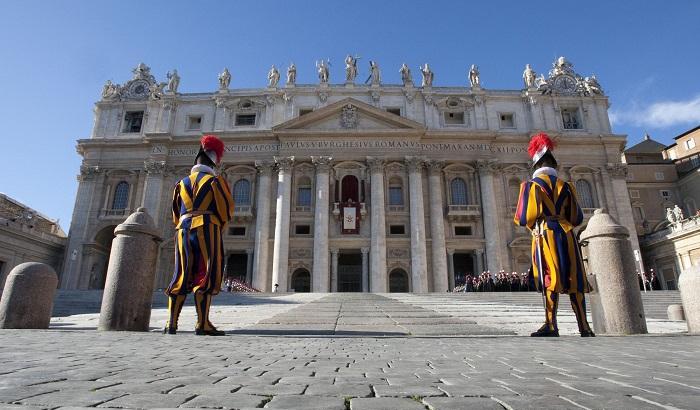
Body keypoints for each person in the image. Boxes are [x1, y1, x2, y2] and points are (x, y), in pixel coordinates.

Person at [514, 133, 595, 337]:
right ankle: (584, 327)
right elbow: (576, 217)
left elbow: (524, 216)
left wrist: (534, 225)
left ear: (536, 166)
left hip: (545, 234)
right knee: (574, 277)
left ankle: (551, 324)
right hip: (567, 234)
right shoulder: (567, 186)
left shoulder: (531, 186)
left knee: (549, 275)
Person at [164, 134, 234, 336]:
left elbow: (175, 213)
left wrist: (184, 223)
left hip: (182, 229)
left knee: (181, 272)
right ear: (213, 163)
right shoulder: (215, 181)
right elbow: (225, 210)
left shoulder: (181, 183)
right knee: (206, 273)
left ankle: (171, 324)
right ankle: (202, 323)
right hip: (207, 227)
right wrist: (218, 222)